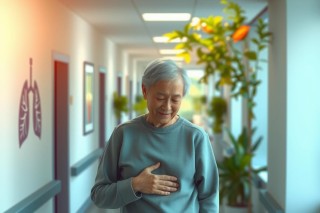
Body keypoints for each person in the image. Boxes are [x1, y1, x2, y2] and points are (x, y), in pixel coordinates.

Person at [91, 58, 219, 212]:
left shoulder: (196, 137)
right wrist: (135, 184)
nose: (167, 106)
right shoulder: (123, 134)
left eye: (175, 99)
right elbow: (99, 196)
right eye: (160, 98)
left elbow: (209, 198)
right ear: (145, 91)